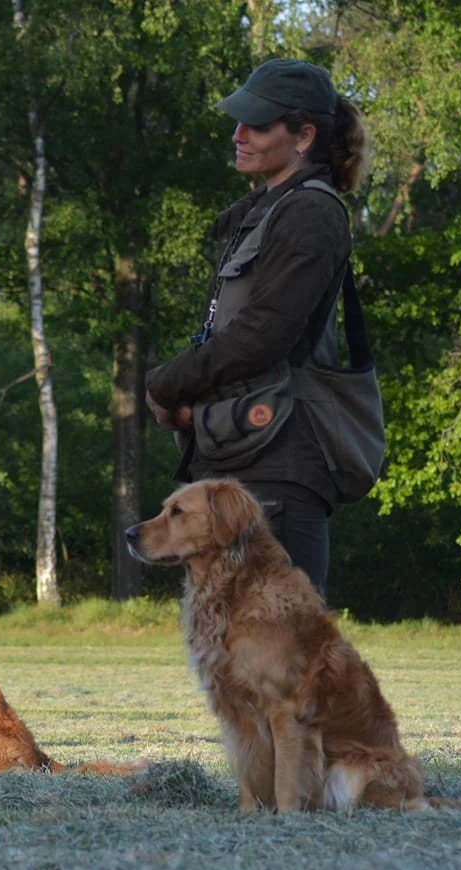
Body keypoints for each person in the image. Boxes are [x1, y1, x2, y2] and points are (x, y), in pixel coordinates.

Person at [144, 59, 370, 596]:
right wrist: (188, 404)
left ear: (304, 137)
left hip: (277, 466)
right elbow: (234, 335)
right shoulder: (269, 209)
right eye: (239, 122)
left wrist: (165, 384)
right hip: (241, 454)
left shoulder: (311, 213)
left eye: (258, 125)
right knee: (227, 643)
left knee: (278, 643)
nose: (238, 134)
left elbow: (262, 335)